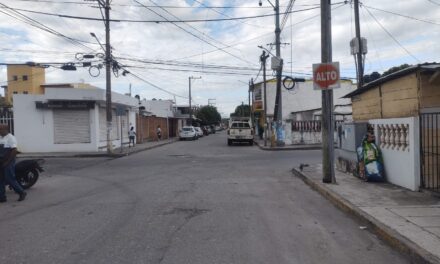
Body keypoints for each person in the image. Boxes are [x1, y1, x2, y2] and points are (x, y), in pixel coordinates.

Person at [0, 124, 26, 203]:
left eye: (0, 129)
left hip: (9, 161)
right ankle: (2, 197)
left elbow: (14, 150)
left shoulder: (11, 138)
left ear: (5, 129)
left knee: (9, 178)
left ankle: (22, 192)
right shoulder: (1, 137)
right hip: (1, 160)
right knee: (1, 179)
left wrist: (7, 162)